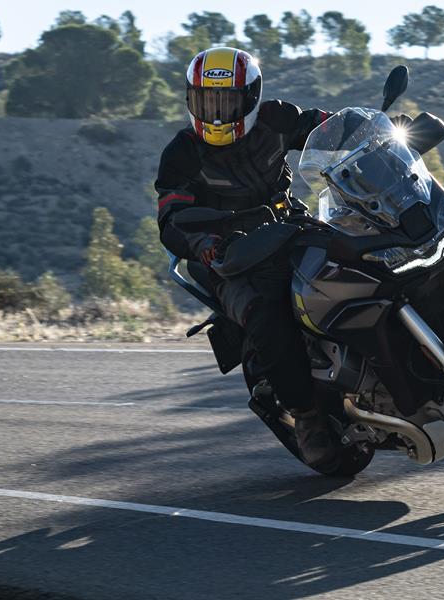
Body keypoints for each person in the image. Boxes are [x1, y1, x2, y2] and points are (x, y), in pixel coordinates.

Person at [155, 47, 337, 467]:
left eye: (227, 102)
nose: (217, 115)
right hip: (225, 256)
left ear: (251, 97)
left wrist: (380, 134)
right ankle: (307, 415)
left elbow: (328, 128)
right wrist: (204, 245)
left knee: (358, 255)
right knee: (266, 313)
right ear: (191, 100)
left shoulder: (276, 119)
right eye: (207, 102)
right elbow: (172, 217)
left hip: (288, 225)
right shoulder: (182, 151)